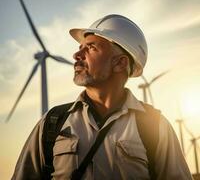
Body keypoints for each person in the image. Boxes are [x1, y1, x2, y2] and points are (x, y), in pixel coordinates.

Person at [11, 14, 193, 180]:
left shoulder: (155, 127)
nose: (76, 55)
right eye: (80, 47)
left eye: (91, 48)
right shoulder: (52, 122)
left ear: (120, 63)